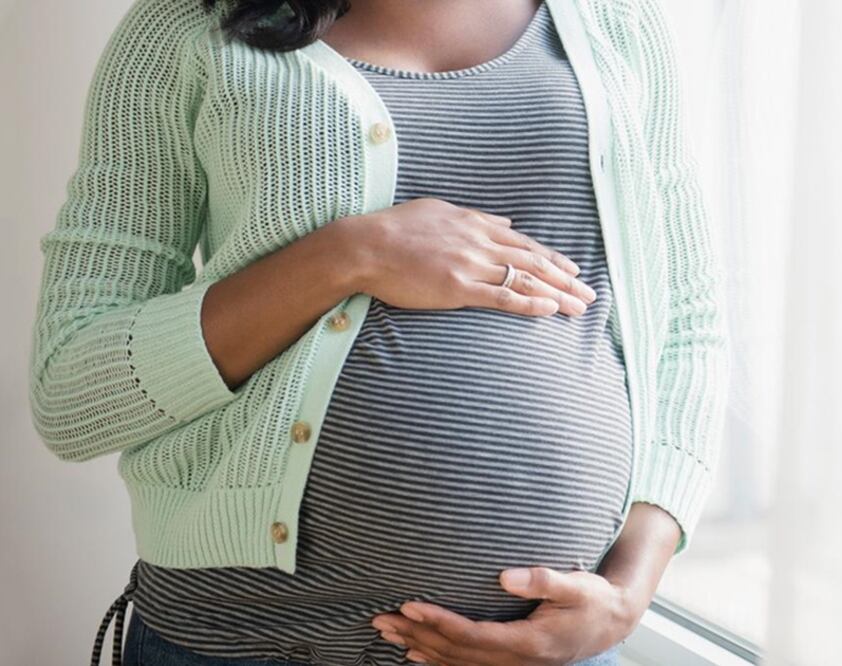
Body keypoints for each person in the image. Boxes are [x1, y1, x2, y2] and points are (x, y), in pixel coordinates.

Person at [28, 0, 728, 664]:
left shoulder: (615, 24)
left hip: (545, 648)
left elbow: (686, 328)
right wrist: (346, 256)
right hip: (244, 639)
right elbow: (72, 389)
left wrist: (628, 593)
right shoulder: (187, 30)